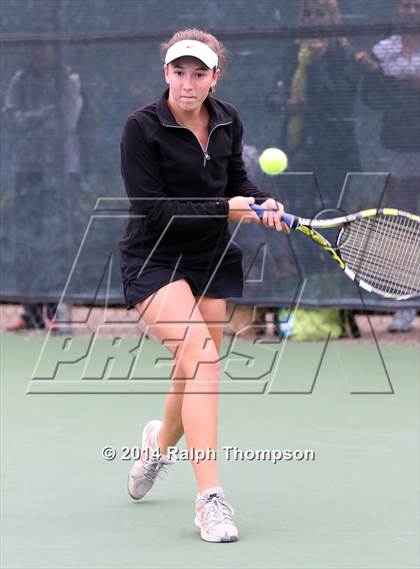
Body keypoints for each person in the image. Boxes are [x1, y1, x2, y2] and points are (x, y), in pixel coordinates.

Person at [119, 28, 287, 543]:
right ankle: (209, 499)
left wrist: (258, 203)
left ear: (215, 77)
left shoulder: (228, 119)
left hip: (210, 256)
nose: (187, 83)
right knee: (204, 361)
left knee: (193, 370)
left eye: (199, 73)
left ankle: (156, 445)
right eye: (178, 71)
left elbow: (236, 181)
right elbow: (153, 207)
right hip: (155, 255)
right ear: (165, 72)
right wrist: (229, 207)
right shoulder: (141, 128)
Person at [3, 39, 84, 332]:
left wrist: (32, 120)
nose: (36, 52)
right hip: (26, 171)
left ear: (54, 51)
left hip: (62, 173)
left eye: (43, 47)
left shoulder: (69, 79)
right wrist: (41, 116)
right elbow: (9, 118)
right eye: (33, 47)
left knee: (58, 241)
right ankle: (31, 313)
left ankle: (57, 313)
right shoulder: (20, 79)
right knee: (25, 241)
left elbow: (67, 121)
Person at [361, 0, 420, 333]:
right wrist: (382, 77)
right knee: (404, 221)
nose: (411, 12)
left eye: (416, 6)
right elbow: (372, 98)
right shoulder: (382, 50)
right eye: (405, 6)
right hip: (398, 142)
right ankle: (406, 306)